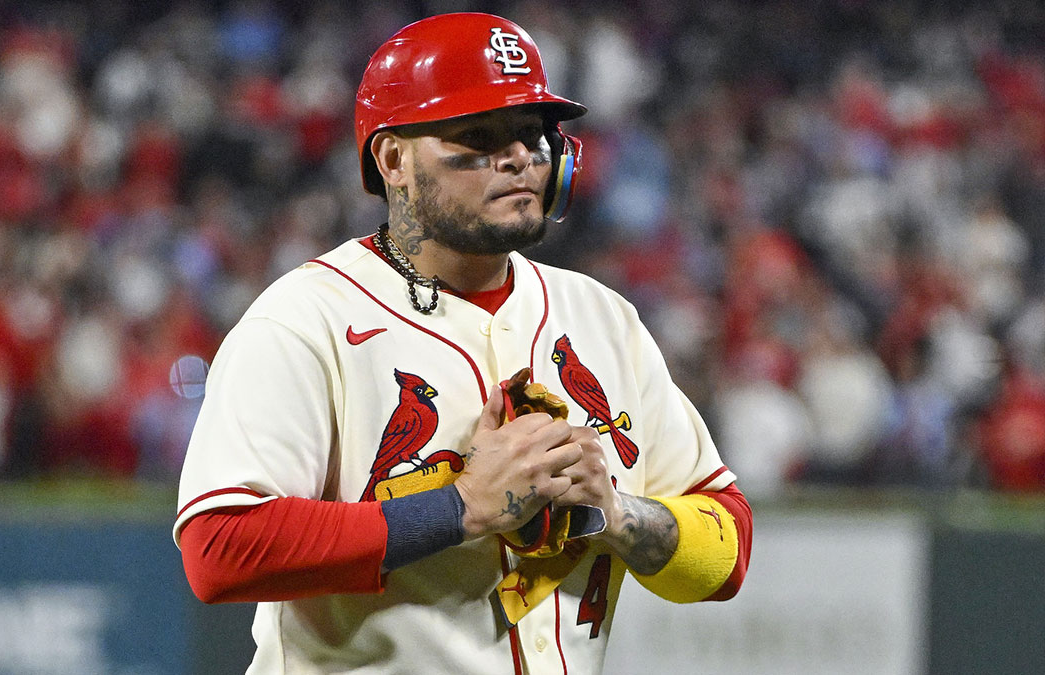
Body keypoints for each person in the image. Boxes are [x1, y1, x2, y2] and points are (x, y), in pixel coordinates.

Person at [175, 12, 752, 674]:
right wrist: (461, 507)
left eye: (532, 135)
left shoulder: (601, 317)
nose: (516, 158)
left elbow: (728, 546)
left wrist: (617, 513)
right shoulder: (307, 318)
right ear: (393, 160)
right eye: (477, 136)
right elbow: (218, 548)